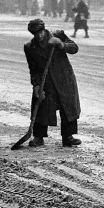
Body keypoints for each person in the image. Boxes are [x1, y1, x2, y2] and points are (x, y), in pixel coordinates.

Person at [24, 18, 82, 148]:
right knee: (40, 106)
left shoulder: (58, 35)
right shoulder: (30, 47)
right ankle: (38, 137)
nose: (39, 36)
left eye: (41, 32)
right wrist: (37, 86)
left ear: (44, 29)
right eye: (35, 34)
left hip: (63, 78)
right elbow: (33, 68)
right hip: (46, 82)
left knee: (67, 107)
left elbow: (74, 48)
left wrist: (62, 44)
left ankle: (68, 137)